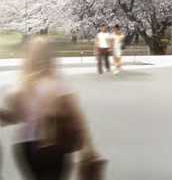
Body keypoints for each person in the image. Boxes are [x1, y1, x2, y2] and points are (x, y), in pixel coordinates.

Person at [0, 37, 99, 180]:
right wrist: (88, 147)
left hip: (25, 145)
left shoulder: (21, 83)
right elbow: (76, 117)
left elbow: (15, 116)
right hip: (53, 143)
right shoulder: (58, 82)